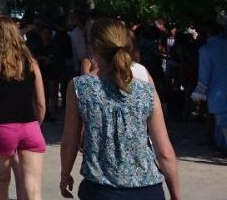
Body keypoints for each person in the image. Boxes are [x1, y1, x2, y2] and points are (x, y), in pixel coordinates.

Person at [59, 18, 182, 200]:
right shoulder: (145, 89)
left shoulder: (79, 87)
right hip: (147, 191)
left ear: (92, 49)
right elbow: (164, 151)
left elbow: (70, 140)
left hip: (100, 190)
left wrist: (65, 174)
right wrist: (176, 195)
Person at [0, 16, 45, 200]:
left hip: (2, 127)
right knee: (33, 189)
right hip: (30, 126)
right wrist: (36, 123)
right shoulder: (31, 62)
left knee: (0, 185)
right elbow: (40, 102)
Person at [192, 22, 227, 156]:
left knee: (223, 122)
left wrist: (199, 91)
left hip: (218, 91)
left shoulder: (206, 50)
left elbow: (204, 74)